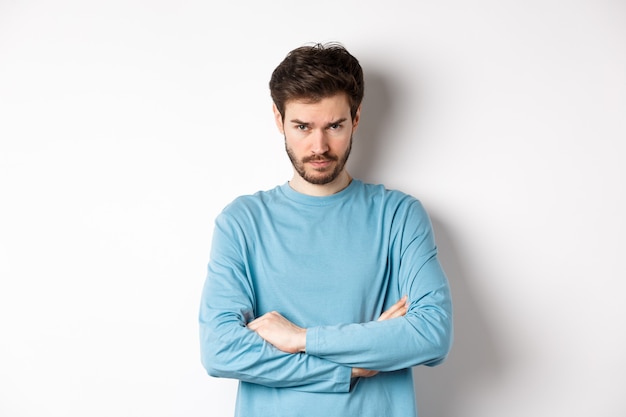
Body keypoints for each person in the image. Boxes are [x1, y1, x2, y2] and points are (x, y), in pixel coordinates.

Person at [199, 42, 453, 417]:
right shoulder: (242, 222)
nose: (319, 146)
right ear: (277, 118)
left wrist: (300, 339)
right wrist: (348, 369)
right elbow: (220, 350)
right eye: (302, 126)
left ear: (356, 118)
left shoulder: (398, 215)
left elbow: (431, 335)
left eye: (334, 126)